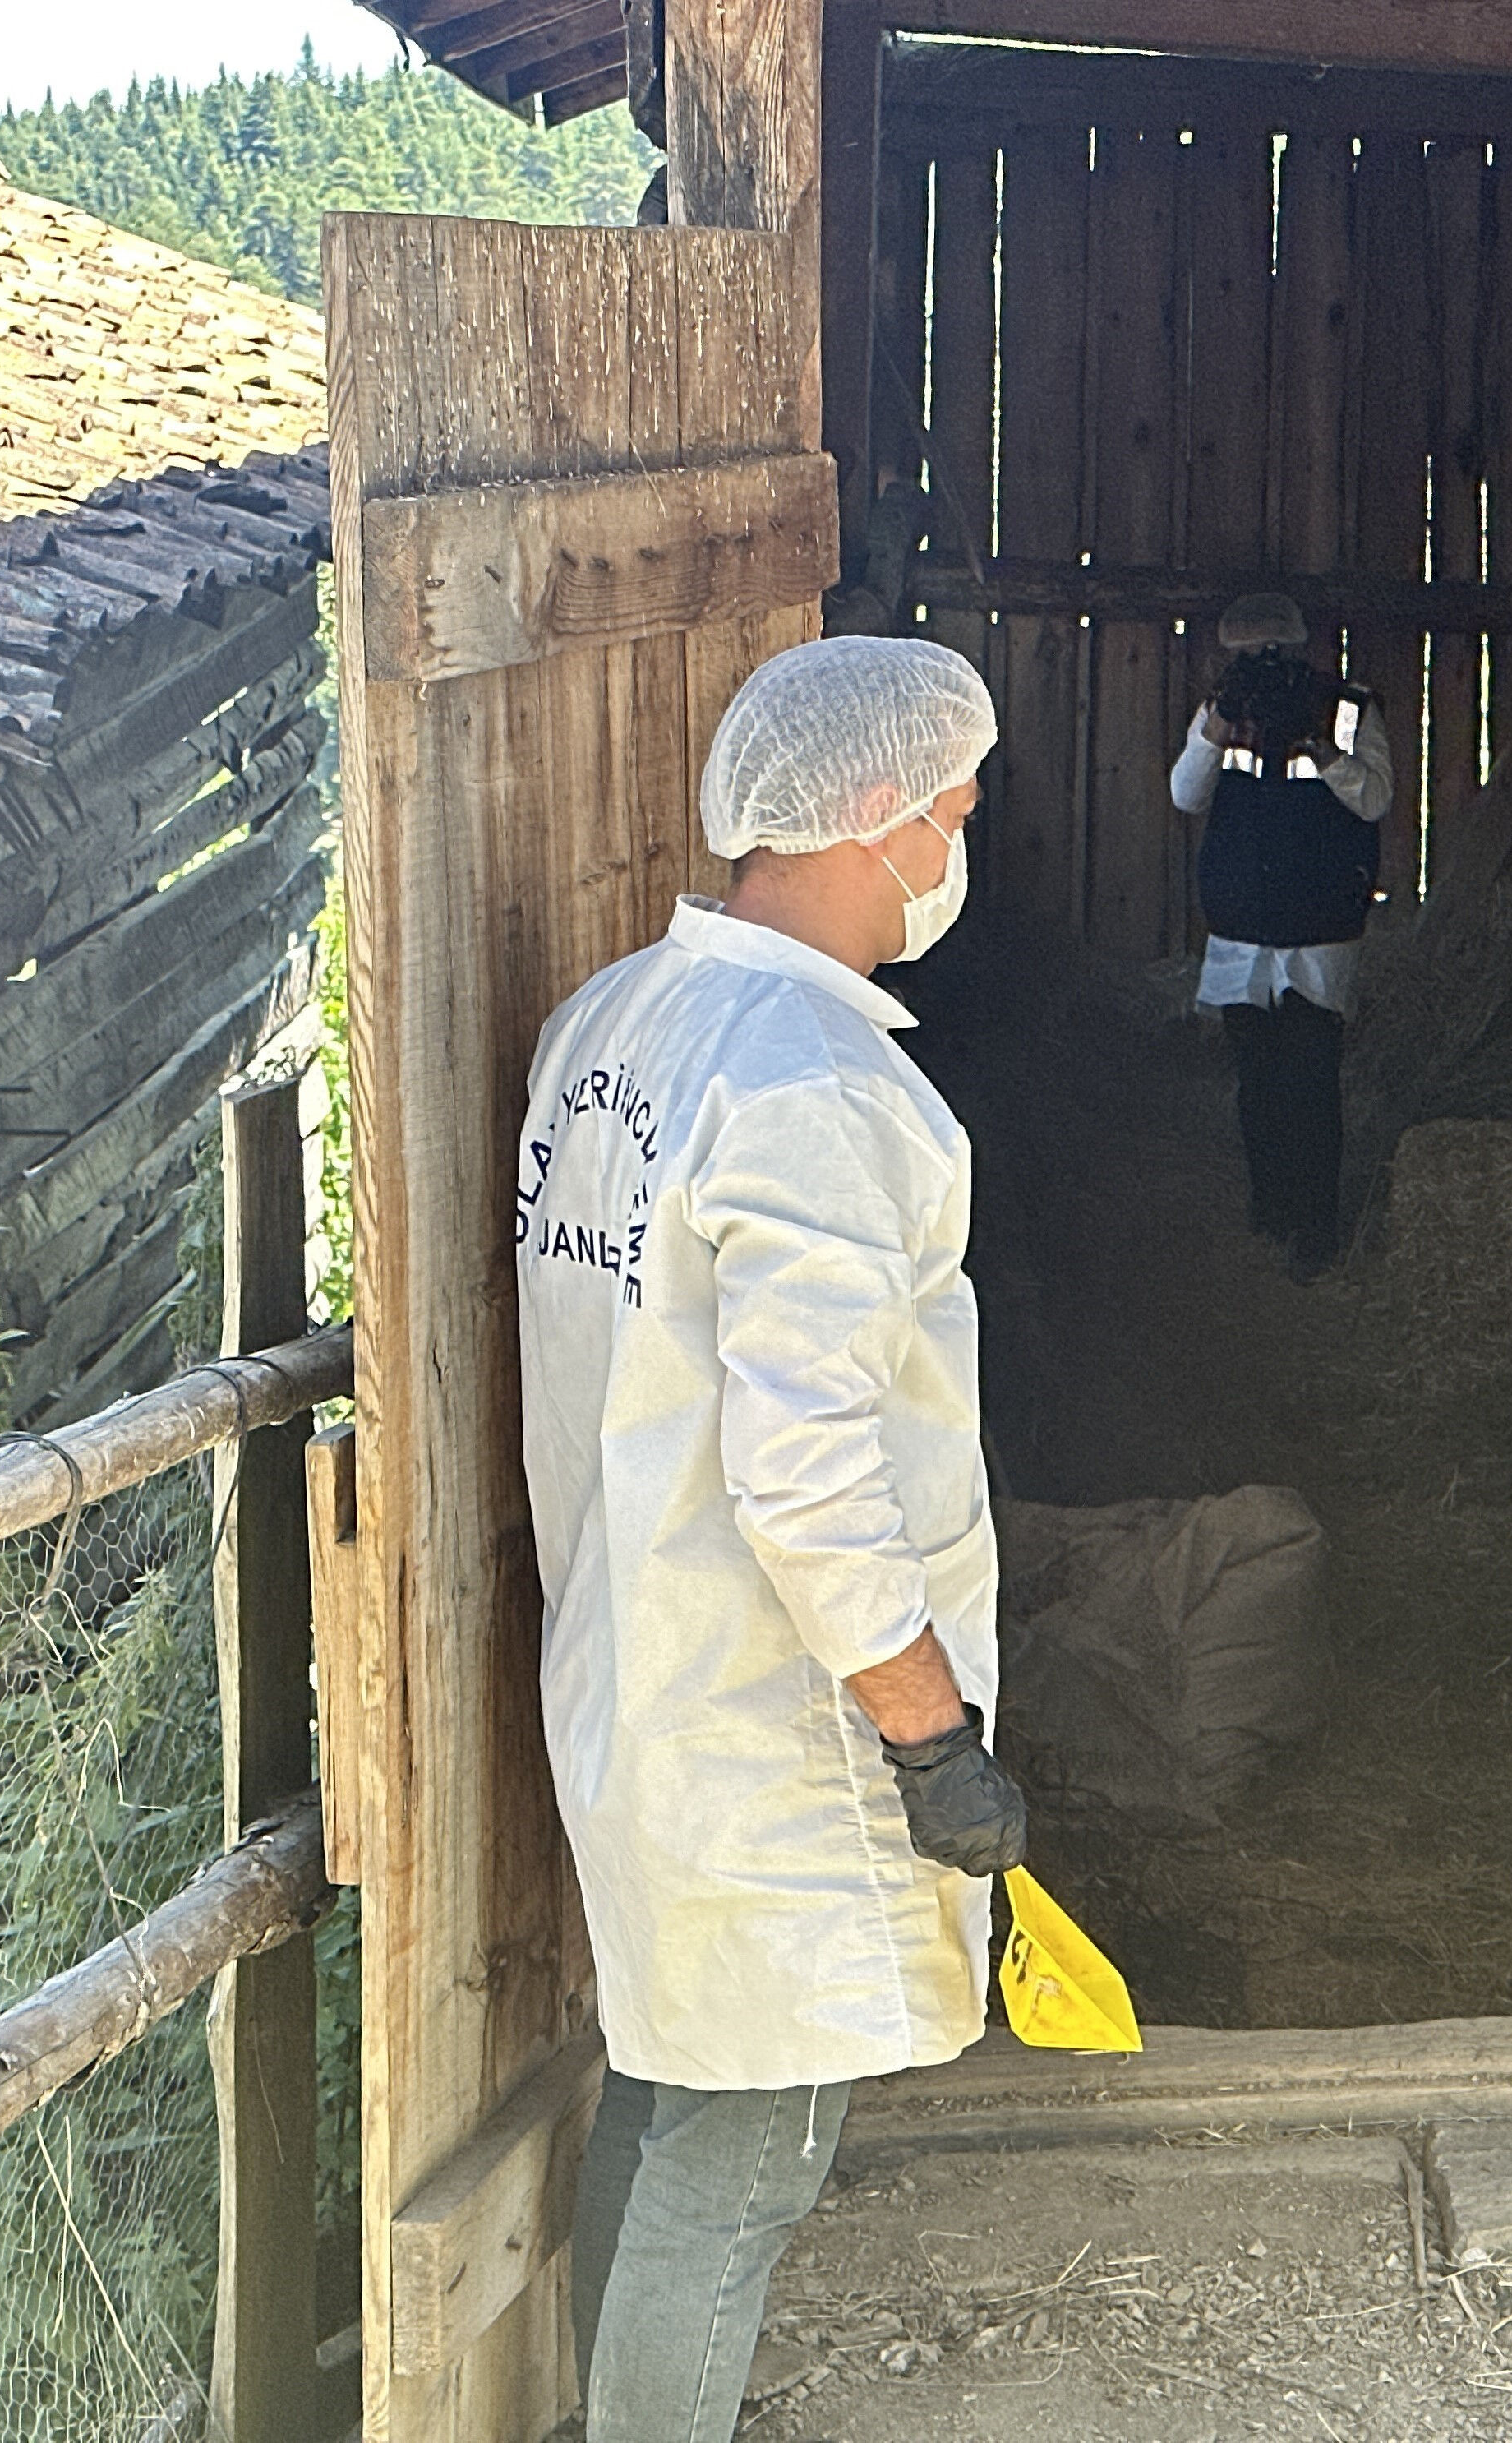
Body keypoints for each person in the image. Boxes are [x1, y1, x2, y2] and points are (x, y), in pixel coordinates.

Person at [514, 635, 1026, 2441]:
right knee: (749, 2153)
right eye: (954, 810)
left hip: (641, 1667)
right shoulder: (814, 1085)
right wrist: (927, 1729)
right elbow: (805, 1468)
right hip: (773, 1720)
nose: (962, 849)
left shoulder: (616, 1030)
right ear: (871, 815)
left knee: (670, 2088)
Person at [1169, 592, 1394, 1282]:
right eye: (1247, 657)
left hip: (1317, 932)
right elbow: (1185, 793)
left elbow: (1375, 798)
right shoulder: (1223, 713)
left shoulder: (1349, 708)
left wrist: (1320, 746)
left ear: (1302, 652)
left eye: (1275, 655)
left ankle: (1315, 1231)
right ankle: (1270, 1213)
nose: (1263, 668)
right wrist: (1218, 723)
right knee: (1258, 1079)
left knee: (1311, 1079)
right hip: (1245, 931)